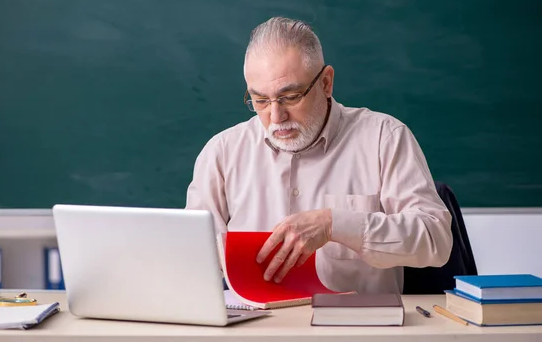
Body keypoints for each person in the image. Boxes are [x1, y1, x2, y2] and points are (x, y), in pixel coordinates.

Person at [185, 17, 452, 294]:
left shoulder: (385, 137)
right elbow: (190, 252)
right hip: (257, 330)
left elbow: (436, 241)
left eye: (291, 96)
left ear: (326, 82)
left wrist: (335, 224)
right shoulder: (222, 152)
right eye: (260, 100)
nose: (276, 116)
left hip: (357, 329)